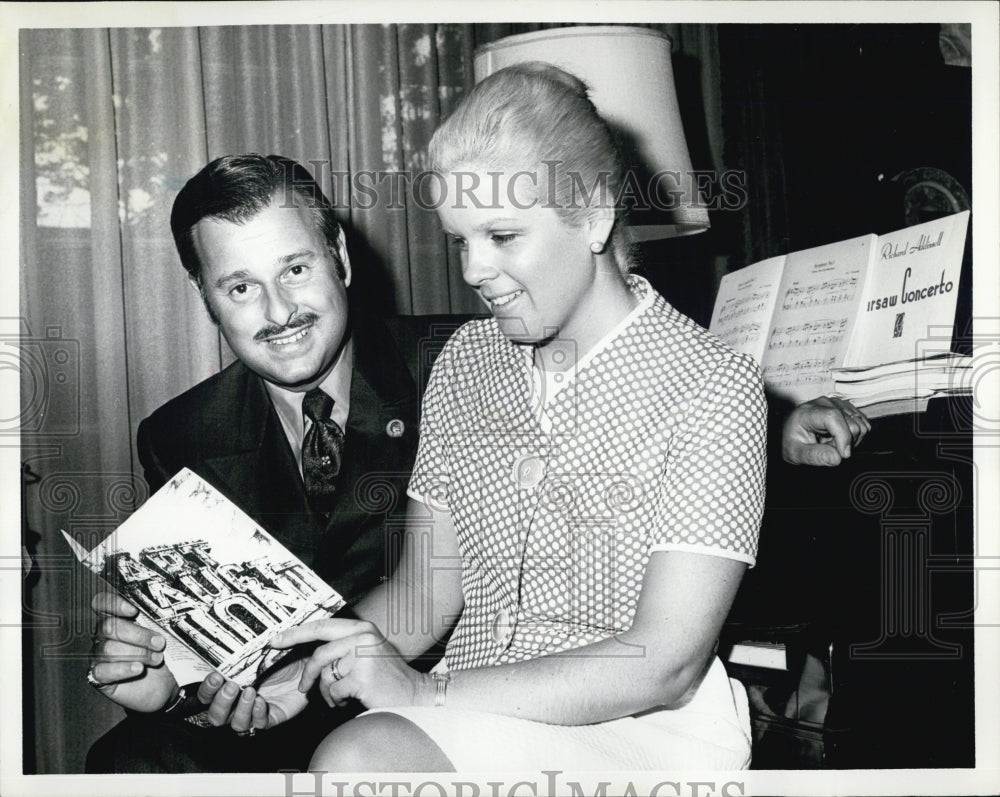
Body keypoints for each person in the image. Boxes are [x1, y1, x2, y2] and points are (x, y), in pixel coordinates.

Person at [197, 62, 775, 772]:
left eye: (502, 236)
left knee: (357, 760)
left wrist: (425, 692)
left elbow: (664, 663)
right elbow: (425, 592)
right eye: (459, 240)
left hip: (641, 726)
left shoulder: (712, 383)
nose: (472, 270)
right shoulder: (467, 360)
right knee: (352, 755)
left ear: (593, 215)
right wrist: (297, 668)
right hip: (470, 705)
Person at [85, 154, 434, 773]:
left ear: (343, 261)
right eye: (241, 287)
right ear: (206, 298)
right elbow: (208, 662)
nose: (278, 313)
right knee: (127, 760)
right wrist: (166, 684)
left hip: (433, 701)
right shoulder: (179, 436)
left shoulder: (454, 366)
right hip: (280, 717)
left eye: (296, 269)